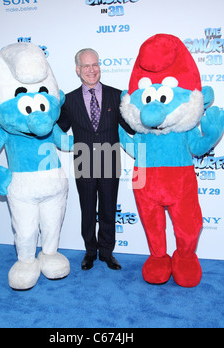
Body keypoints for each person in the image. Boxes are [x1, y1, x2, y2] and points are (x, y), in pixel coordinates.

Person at [57, 48, 134, 271]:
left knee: (109, 208)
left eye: (95, 65)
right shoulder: (69, 100)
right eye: (87, 66)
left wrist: (142, 115)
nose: (92, 70)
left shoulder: (117, 95)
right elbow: (60, 129)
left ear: (99, 66)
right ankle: (90, 252)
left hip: (110, 160)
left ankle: (107, 253)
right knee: (88, 209)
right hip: (84, 162)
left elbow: (130, 126)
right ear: (78, 70)